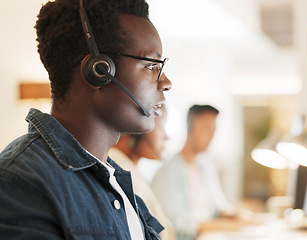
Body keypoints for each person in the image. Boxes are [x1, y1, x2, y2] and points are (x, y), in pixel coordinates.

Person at [0, 0, 171, 239]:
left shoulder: (117, 181)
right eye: (152, 65)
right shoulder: (21, 181)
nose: (166, 83)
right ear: (99, 71)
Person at [152, 105, 239, 240]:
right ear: (190, 127)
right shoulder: (166, 173)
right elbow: (174, 221)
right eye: (207, 129)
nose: (211, 136)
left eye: (214, 131)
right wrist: (223, 226)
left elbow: (218, 205)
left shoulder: (206, 168)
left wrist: (237, 216)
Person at [111, 105, 176, 240]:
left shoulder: (130, 169)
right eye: (161, 127)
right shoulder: (121, 170)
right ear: (138, 128)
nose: (166, 137)